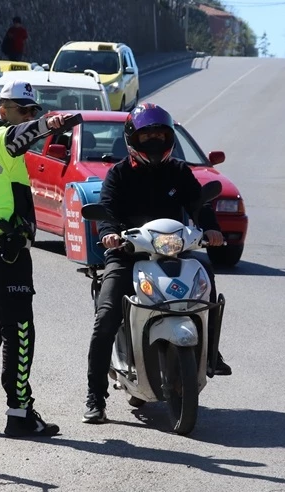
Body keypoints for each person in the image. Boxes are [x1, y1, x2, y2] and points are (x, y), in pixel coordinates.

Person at [83, 103, 231, 424]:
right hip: (127, 254)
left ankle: (212, 352)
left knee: (204, 271)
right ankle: (95, 397)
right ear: (132, 139)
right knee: (106, 315)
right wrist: (109, 235)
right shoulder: (119, 174)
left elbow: (197, 204)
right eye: (146, 136)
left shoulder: (178, 171)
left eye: (159, 135)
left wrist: (212, 227)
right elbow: (107, 210)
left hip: (173, 251)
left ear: (169, 139)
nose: (153, 141)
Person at [0, 80, 76, 438]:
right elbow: (18, 136)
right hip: (5, 251)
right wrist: (48, 124)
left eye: (31, 111)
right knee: (19, 330)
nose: (25, 116)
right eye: (20, 110)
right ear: (2, 110)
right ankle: (20, 413)